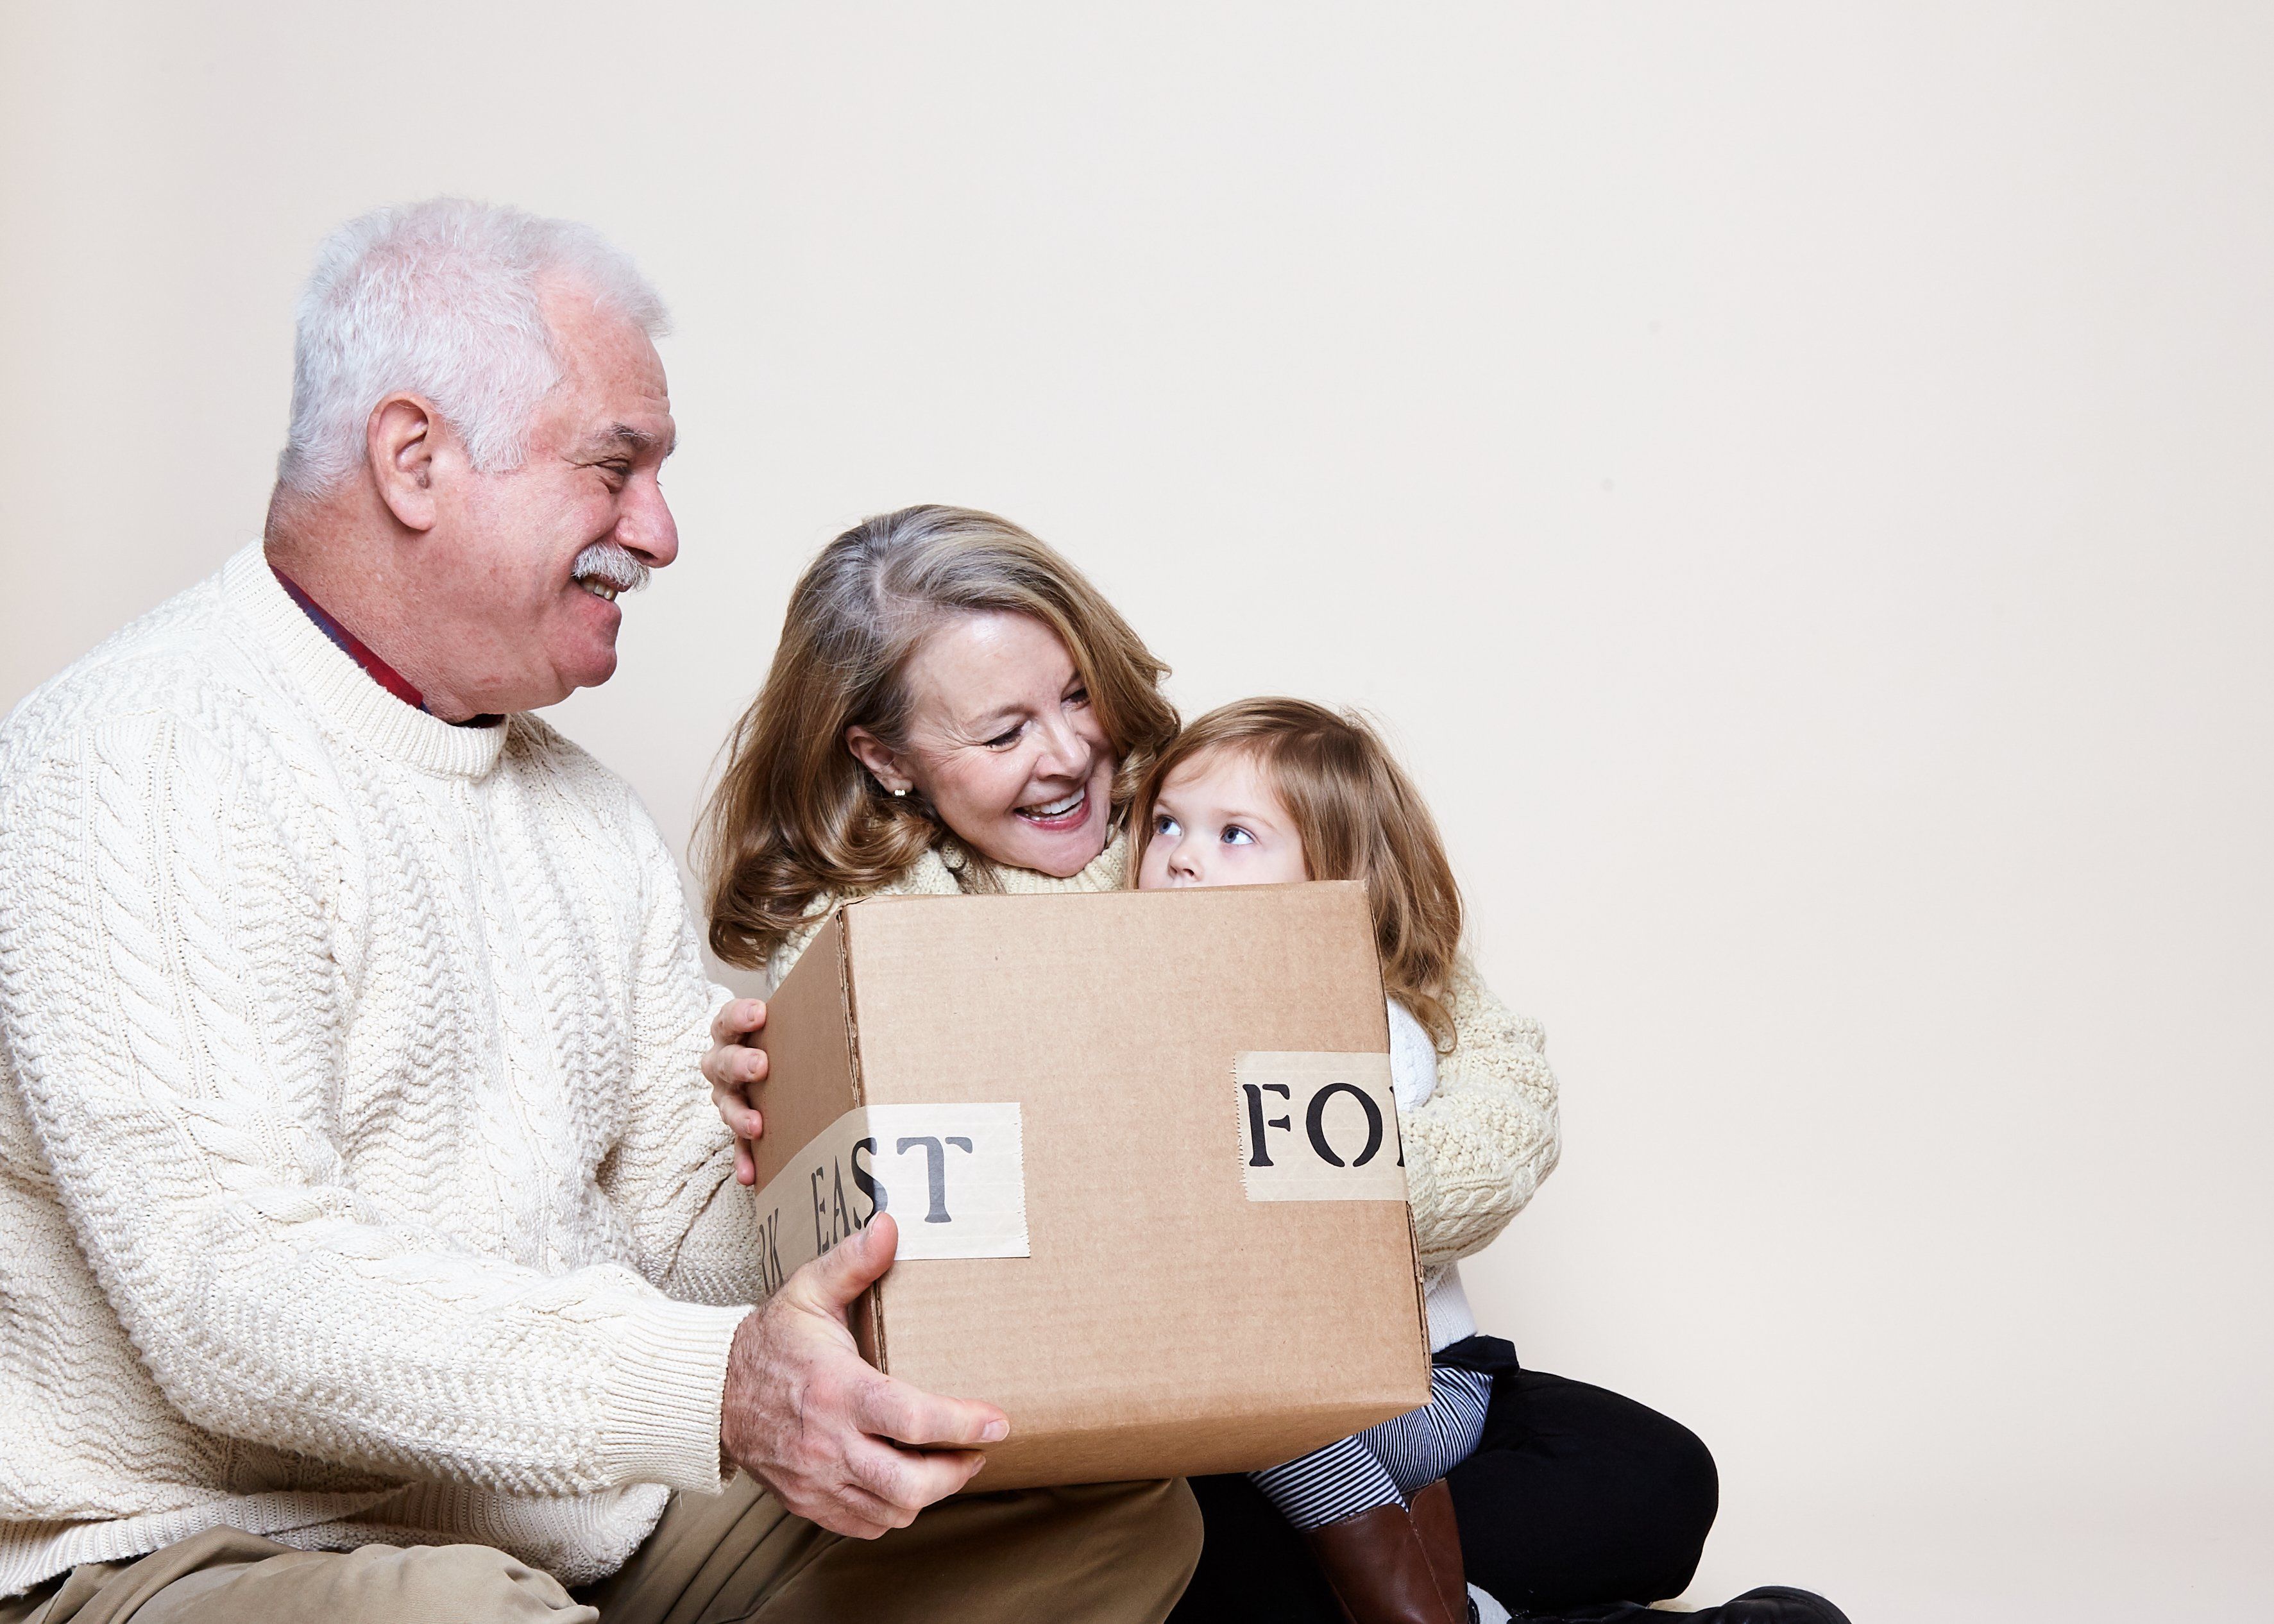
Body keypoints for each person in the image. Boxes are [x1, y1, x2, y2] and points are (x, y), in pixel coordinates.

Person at [0, 201, 1198, 1624]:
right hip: (210, 1542)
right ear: (415, 460)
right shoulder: (135, 752)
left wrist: (796, 1151)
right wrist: (717, 1389)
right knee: (462, 1616)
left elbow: (688, 1245)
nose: (663, 533)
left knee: (1098, 1508)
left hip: (582, 1524)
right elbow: (233, 1303)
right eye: (615, 469)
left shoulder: (582, 814)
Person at [697, 505, 1749, 1619]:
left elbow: (1487, 1066)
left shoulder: (1203, 801)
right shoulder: (863, 939)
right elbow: (944, 1244)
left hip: (1348, 1371)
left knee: (1652, 1479)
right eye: (1002, 735)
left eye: (1074, 695)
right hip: (1110, 1430)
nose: (1067, 757)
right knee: (1185, 1549)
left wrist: (1303, 1202)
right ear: (885, 757)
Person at [1128, 701, 1851, 1624]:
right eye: (1165, 826)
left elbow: (1318, 1238)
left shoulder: (1353, 1020)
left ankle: (1416, 1609)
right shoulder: (1138, 1001)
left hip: (1408, 1396)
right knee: (1214, 1472)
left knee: (1261, 1387)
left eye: (1236, 836)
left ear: (1334, 880)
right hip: (1239, 1422)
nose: (1182, 856)